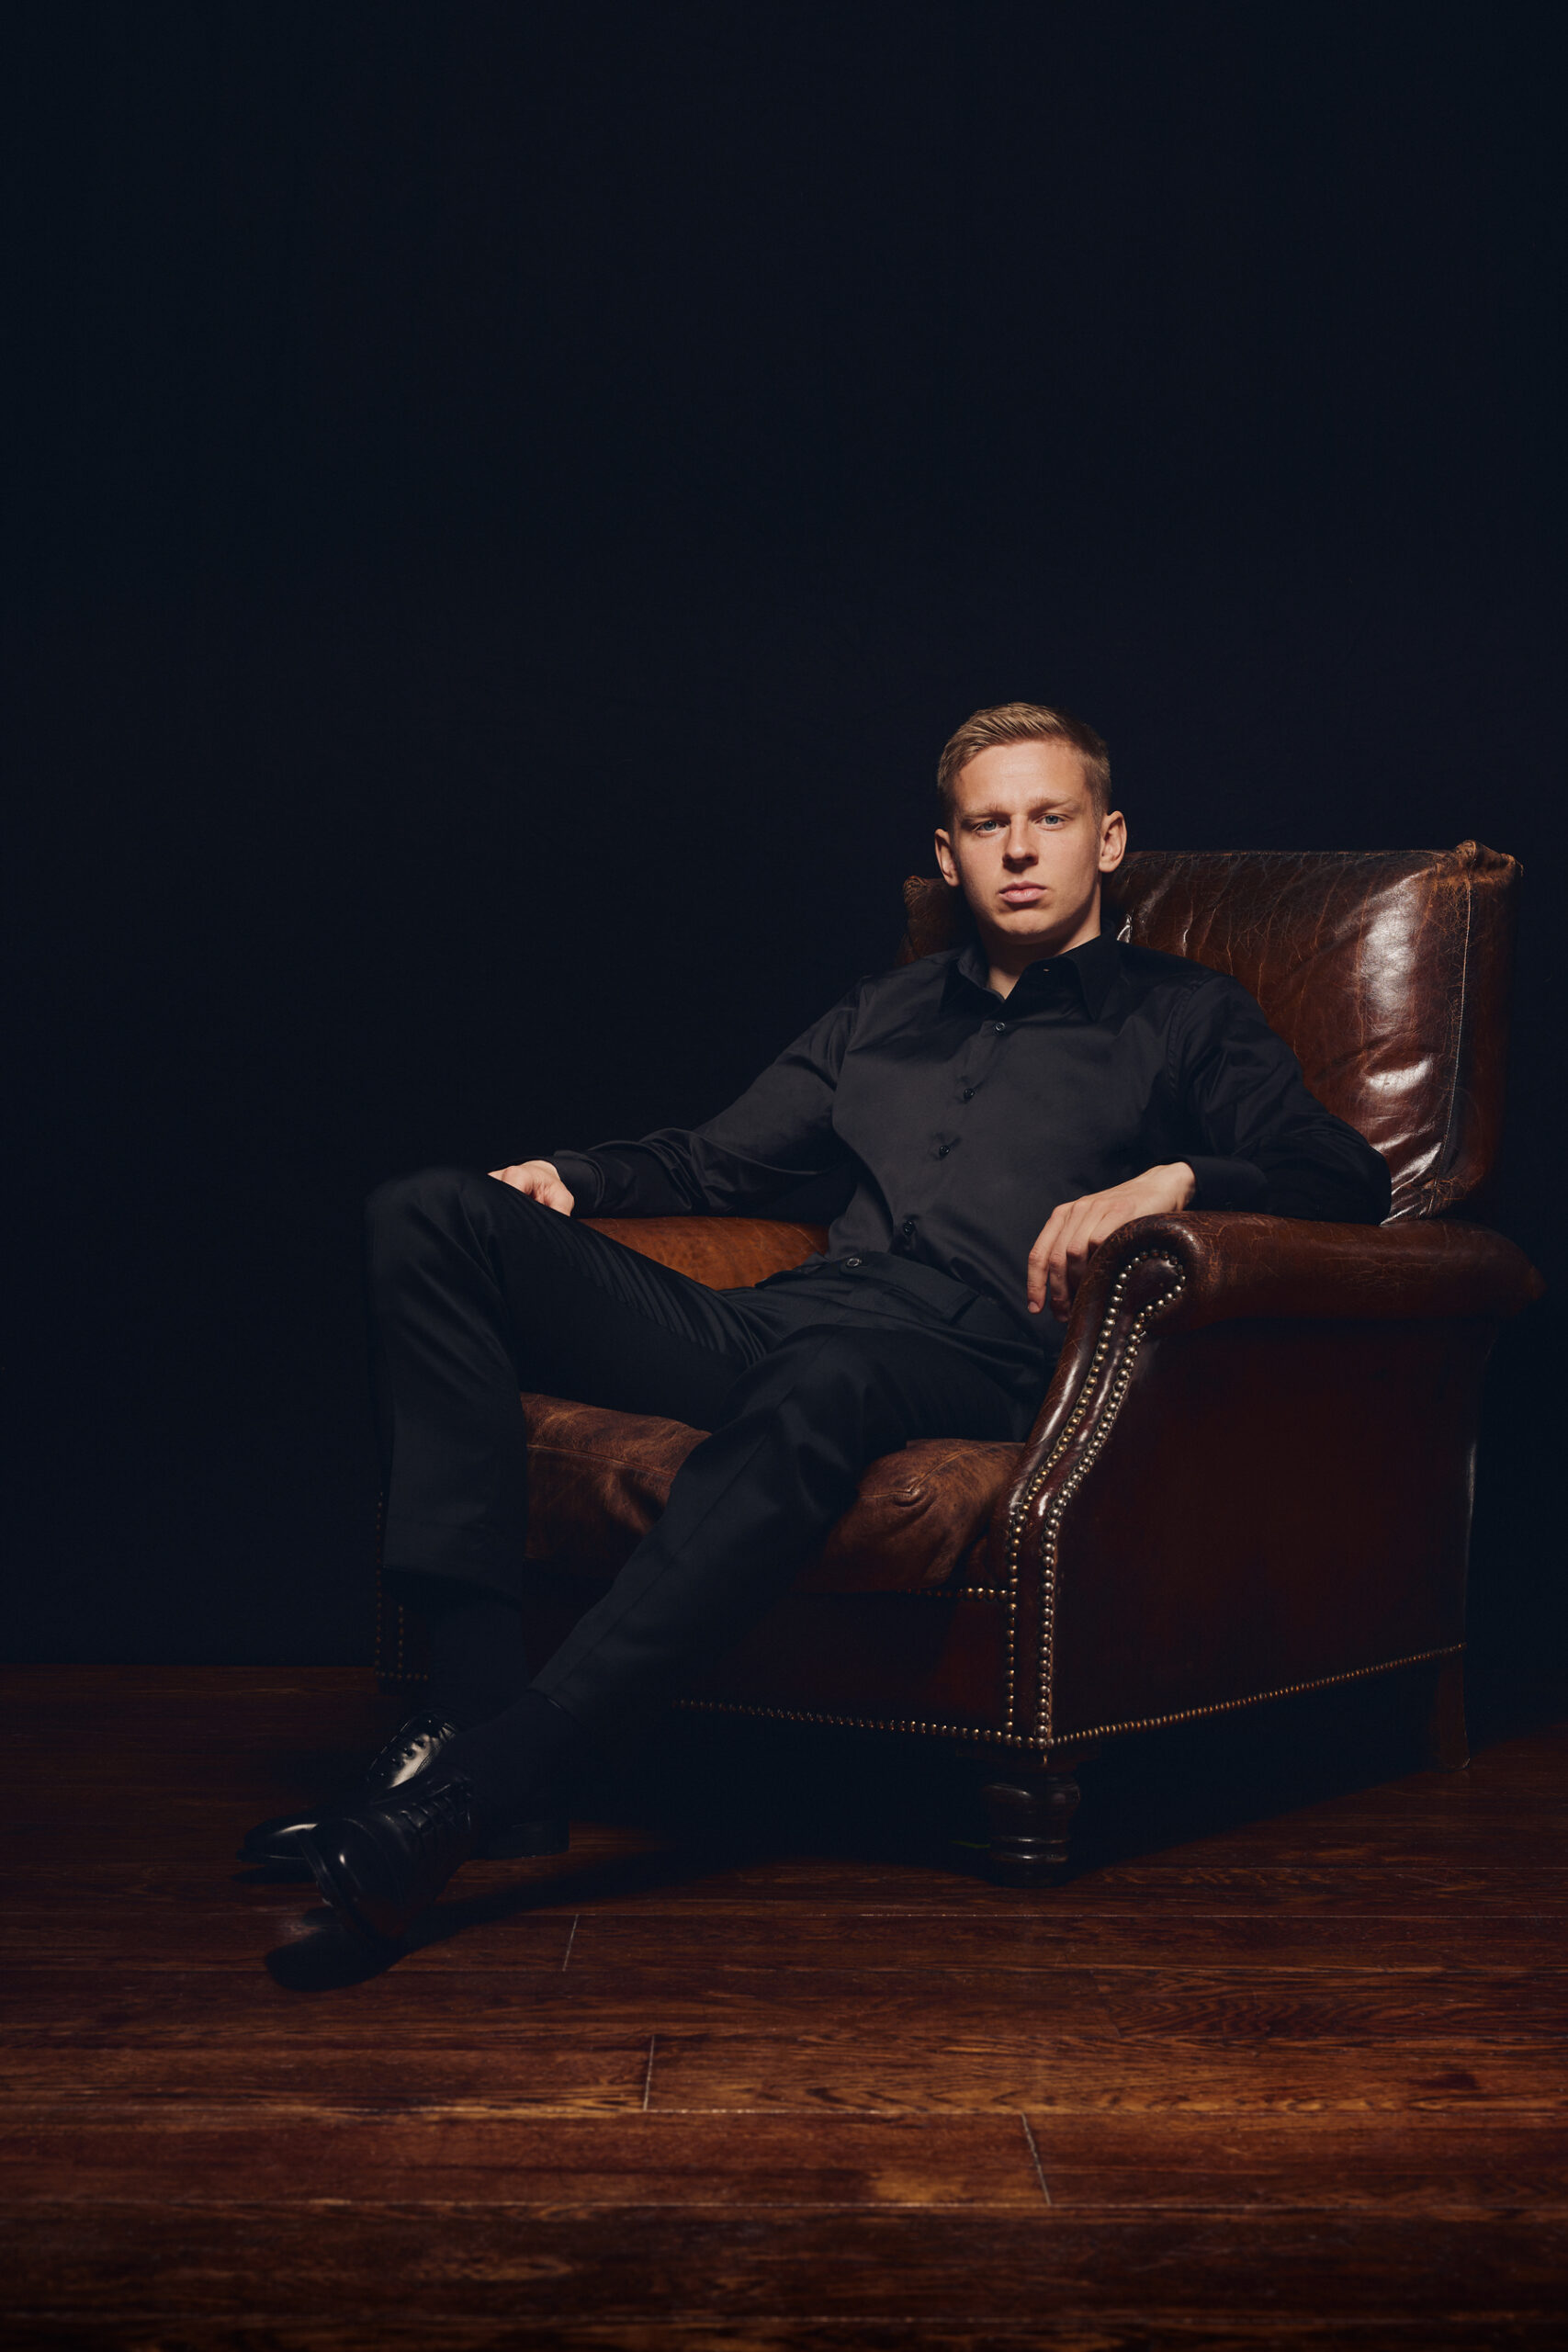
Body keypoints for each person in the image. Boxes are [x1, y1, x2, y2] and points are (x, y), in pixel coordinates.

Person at [248, 702, 1390, 1943]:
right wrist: (571, 1179)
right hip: (786, 1328)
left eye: (1049, 818)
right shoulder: (880, 1014)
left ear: (1107, 839)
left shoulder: (1187, 1015)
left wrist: (1176, 1181)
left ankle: (488, 1780)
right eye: (986, 825)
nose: (1019, 848)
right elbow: (715, 1161)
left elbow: (1345, 1178)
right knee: (430, 1214)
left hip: (978, 1353)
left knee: (830, 1371)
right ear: (946, 854)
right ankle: (466, 1712)